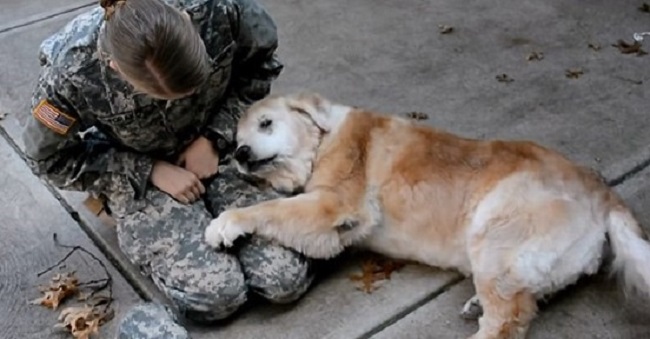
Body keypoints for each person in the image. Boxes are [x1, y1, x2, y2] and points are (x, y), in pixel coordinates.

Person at [21, 0, 314, 337]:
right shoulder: (72, 71)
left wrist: (214, 138)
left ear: (188, 19)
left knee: (285, 279)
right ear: (115, 67)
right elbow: (47, 158)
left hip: (224, 143)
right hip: (142, 175)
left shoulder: (221, 8)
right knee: (217, 297)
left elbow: (260, 66)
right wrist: (148, 170)